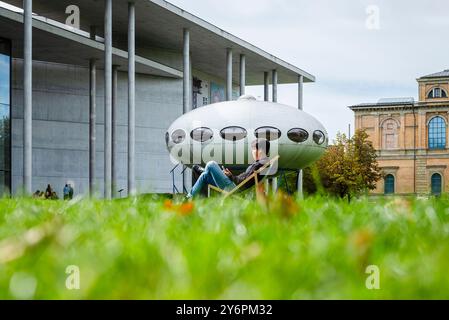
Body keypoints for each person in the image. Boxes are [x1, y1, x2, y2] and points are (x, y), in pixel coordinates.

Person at [187, 139, 271, 198]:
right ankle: (189, 197)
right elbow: (244, 179)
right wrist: (230, 175)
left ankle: (205, 170)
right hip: (234, 186)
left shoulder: (260, 164)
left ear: (260, 150)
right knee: (204, 175)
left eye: (253, 149)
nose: (252, 152)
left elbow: (244, 182)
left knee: (211, 164)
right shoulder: (262, 163)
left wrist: (231, 177)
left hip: (234, 189)